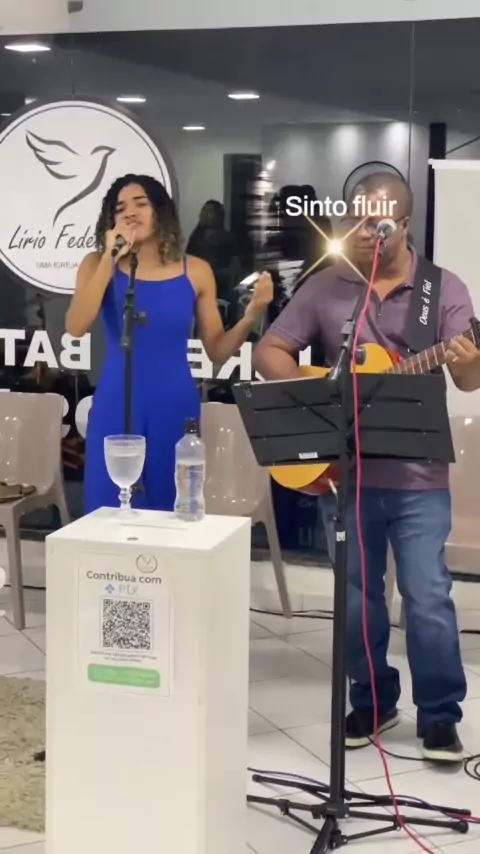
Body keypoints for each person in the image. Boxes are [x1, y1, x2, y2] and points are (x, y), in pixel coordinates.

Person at [253, 171, 480, 763]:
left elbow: (467, 377)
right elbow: (269, 350)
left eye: (375, 222)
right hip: (346, 475)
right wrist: (315, 393)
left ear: (403, 224)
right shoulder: (327, 285)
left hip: (417, 477)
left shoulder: (442, 289)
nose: (362, 231)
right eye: (354, 219)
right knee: (355, 598)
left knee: (427, 595)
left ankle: (439, 715)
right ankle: (373, 700)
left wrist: (469, 358)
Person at [66, 174, 273, 512]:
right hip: (116, 402)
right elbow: (75, 327)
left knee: (171, 507)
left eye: (141, 203)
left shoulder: (196, 271)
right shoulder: (96, 264)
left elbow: (217, 350)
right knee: (108, 510)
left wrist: (251, 315)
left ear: (160, 211)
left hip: (174, 404)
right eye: (120, 208)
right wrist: (108, 259)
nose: (130, 212)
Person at [186, 200, 239, 306]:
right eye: (203, 210)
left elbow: (234, 267)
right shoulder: (196, 236)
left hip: (218, 289)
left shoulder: (227, 238)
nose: (203, 214)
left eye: (208, 211)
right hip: (196, 286)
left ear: (218, 216)